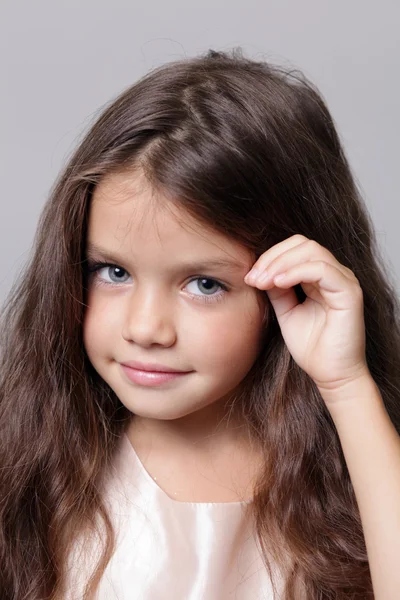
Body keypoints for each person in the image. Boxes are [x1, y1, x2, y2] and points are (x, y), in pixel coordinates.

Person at [0, 47, 399, 600]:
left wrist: (347, 387)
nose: (145, 328)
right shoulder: (26, 466)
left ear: (293, 286)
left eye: (204, 285)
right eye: (112, 271)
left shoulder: (360, 470)